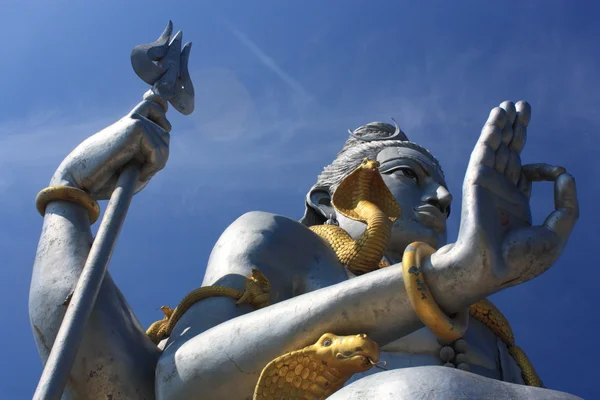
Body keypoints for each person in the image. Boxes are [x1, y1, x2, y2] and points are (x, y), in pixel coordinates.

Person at [29, 93, 580, 399]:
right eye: (410, 175)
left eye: (445, 189)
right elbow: (181, 382)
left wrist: (465, 280)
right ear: (328, 198)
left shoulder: (484, 319)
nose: (441, 196)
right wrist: (70, 193)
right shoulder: (283, 244)